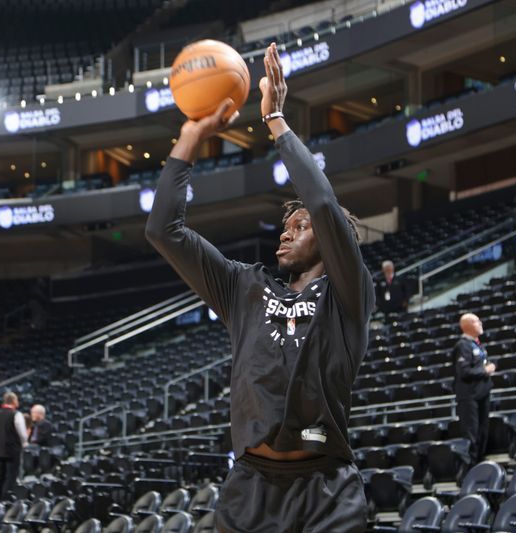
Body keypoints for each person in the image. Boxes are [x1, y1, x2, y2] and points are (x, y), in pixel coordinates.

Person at [146, 42, 373, 533]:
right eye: (285, 225)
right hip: (249, 490)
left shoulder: (347, 296)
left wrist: (276, 121)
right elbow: (164, 231)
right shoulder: (242, 287)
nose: (287, 231)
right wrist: (189, 137)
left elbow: (327, 207)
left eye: (301, 225)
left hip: (326, 490)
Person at [453, 313, 495, 463]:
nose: (481, 323)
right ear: (468, 325)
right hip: (469, 396)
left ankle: (480, 463)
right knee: (472, 433)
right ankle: (472, 468)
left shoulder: (477, 344)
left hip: (482, 393)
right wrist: (485, 370)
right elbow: (463, 372)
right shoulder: (463, 345)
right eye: (477, 321)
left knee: (483, 432)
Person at [0, 391, 27, 500]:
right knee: (11, 475)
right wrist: (23, 443)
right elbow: (22, 432)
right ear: (14, 401)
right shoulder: (16, 414)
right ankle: (6, 498)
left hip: (0, 449)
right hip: (13, 449)